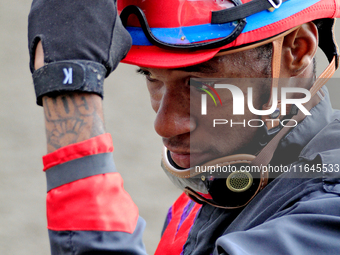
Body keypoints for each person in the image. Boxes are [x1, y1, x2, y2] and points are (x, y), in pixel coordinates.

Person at [28, 0, 340, 254]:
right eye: (151, 76)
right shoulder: (227, 180)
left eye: (200, 83)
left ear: (297, 48)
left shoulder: (328, 216)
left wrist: (69, 88)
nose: (164, 126)